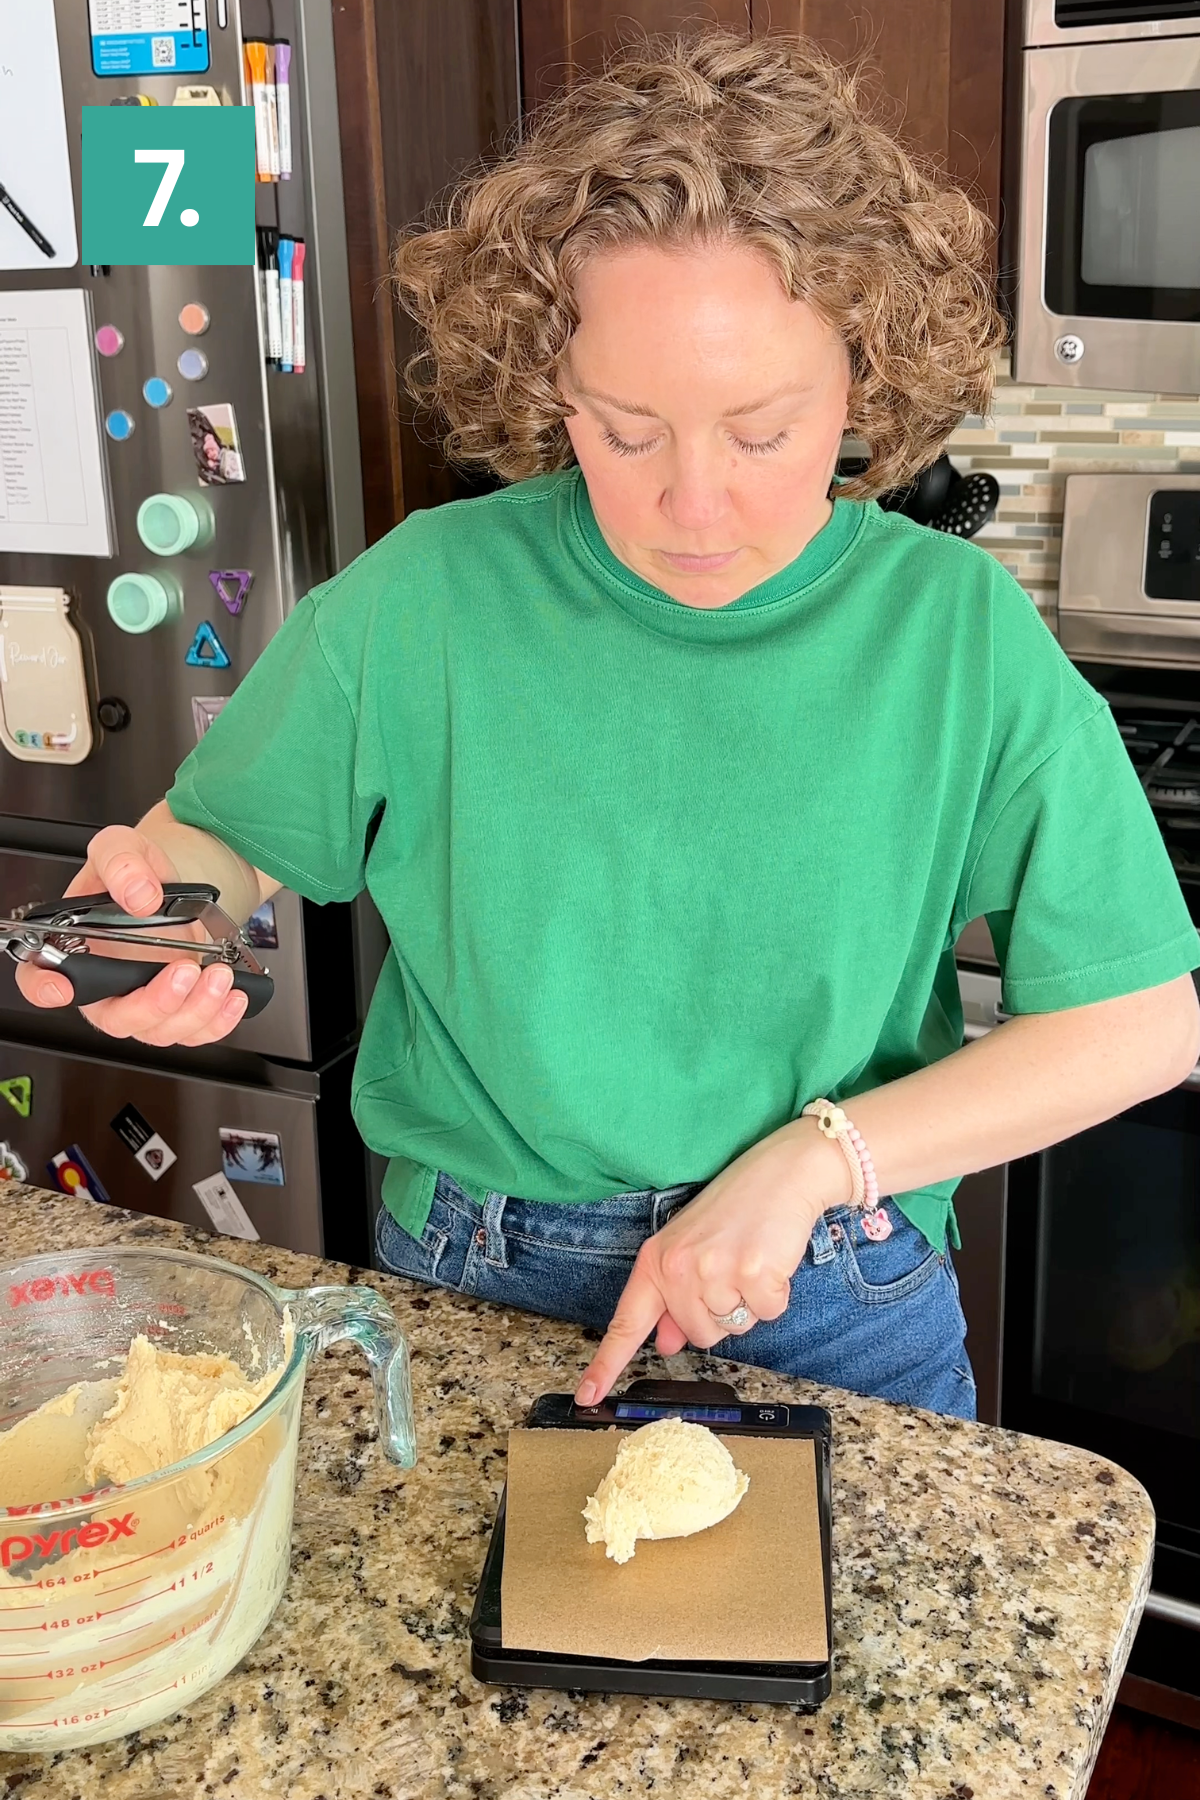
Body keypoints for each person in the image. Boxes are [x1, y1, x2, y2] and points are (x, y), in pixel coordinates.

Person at [23, 32, 1199, 1422]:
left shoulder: (955, 634)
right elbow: (218, 834)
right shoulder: (425, 599)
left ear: (864, 380)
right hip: (477, 1270)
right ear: (550, 381)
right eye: (627, 432)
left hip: (827, 1285)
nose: (693, 505)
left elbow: (1138, 1022)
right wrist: (171, 917)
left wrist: (818, 1158)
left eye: (761, 430)